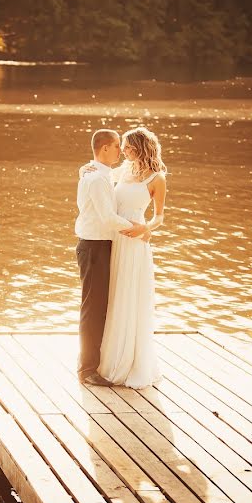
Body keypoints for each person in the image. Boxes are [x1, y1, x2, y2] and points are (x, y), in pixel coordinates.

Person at [74, 129, 147, 386]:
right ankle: (87, 370)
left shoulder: (100, 174)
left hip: (100, 245)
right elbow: (107, 217)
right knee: (93, 310)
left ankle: (92, 364)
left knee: (99, 308)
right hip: (94, 247)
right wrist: (137, 229)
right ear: (104, 148)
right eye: (117, 146)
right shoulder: (97, 179)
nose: (120, 151)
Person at [97, 127, 167, 388]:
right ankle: (108, 357)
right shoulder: (123, 171)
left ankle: (129, 361)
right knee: (114, 294)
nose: (123, 151)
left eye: (127, 146)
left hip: (135, 241)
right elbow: (99, 174)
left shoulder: (157, 179)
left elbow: (160, 216)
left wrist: (146, 228)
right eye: (122, 147)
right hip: (115, 238)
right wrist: (85, 170)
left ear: (141, 147)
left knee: (130, 296)